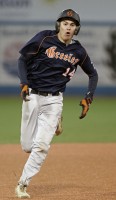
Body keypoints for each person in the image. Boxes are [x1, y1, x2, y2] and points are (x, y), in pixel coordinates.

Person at [15, 8, 98, 198]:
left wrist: (89, 97)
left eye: (72, 24)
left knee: (42, 146)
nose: (68, 27)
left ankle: (22, 184)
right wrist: (24, 82)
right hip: (33, 96)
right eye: (65, 23)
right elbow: (22, 59)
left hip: (54, 99)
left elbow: (93, 73)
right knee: (28, 146)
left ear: (76, 29)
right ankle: (55, 124)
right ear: (58, 25)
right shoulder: (44, 39)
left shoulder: (78, 51)